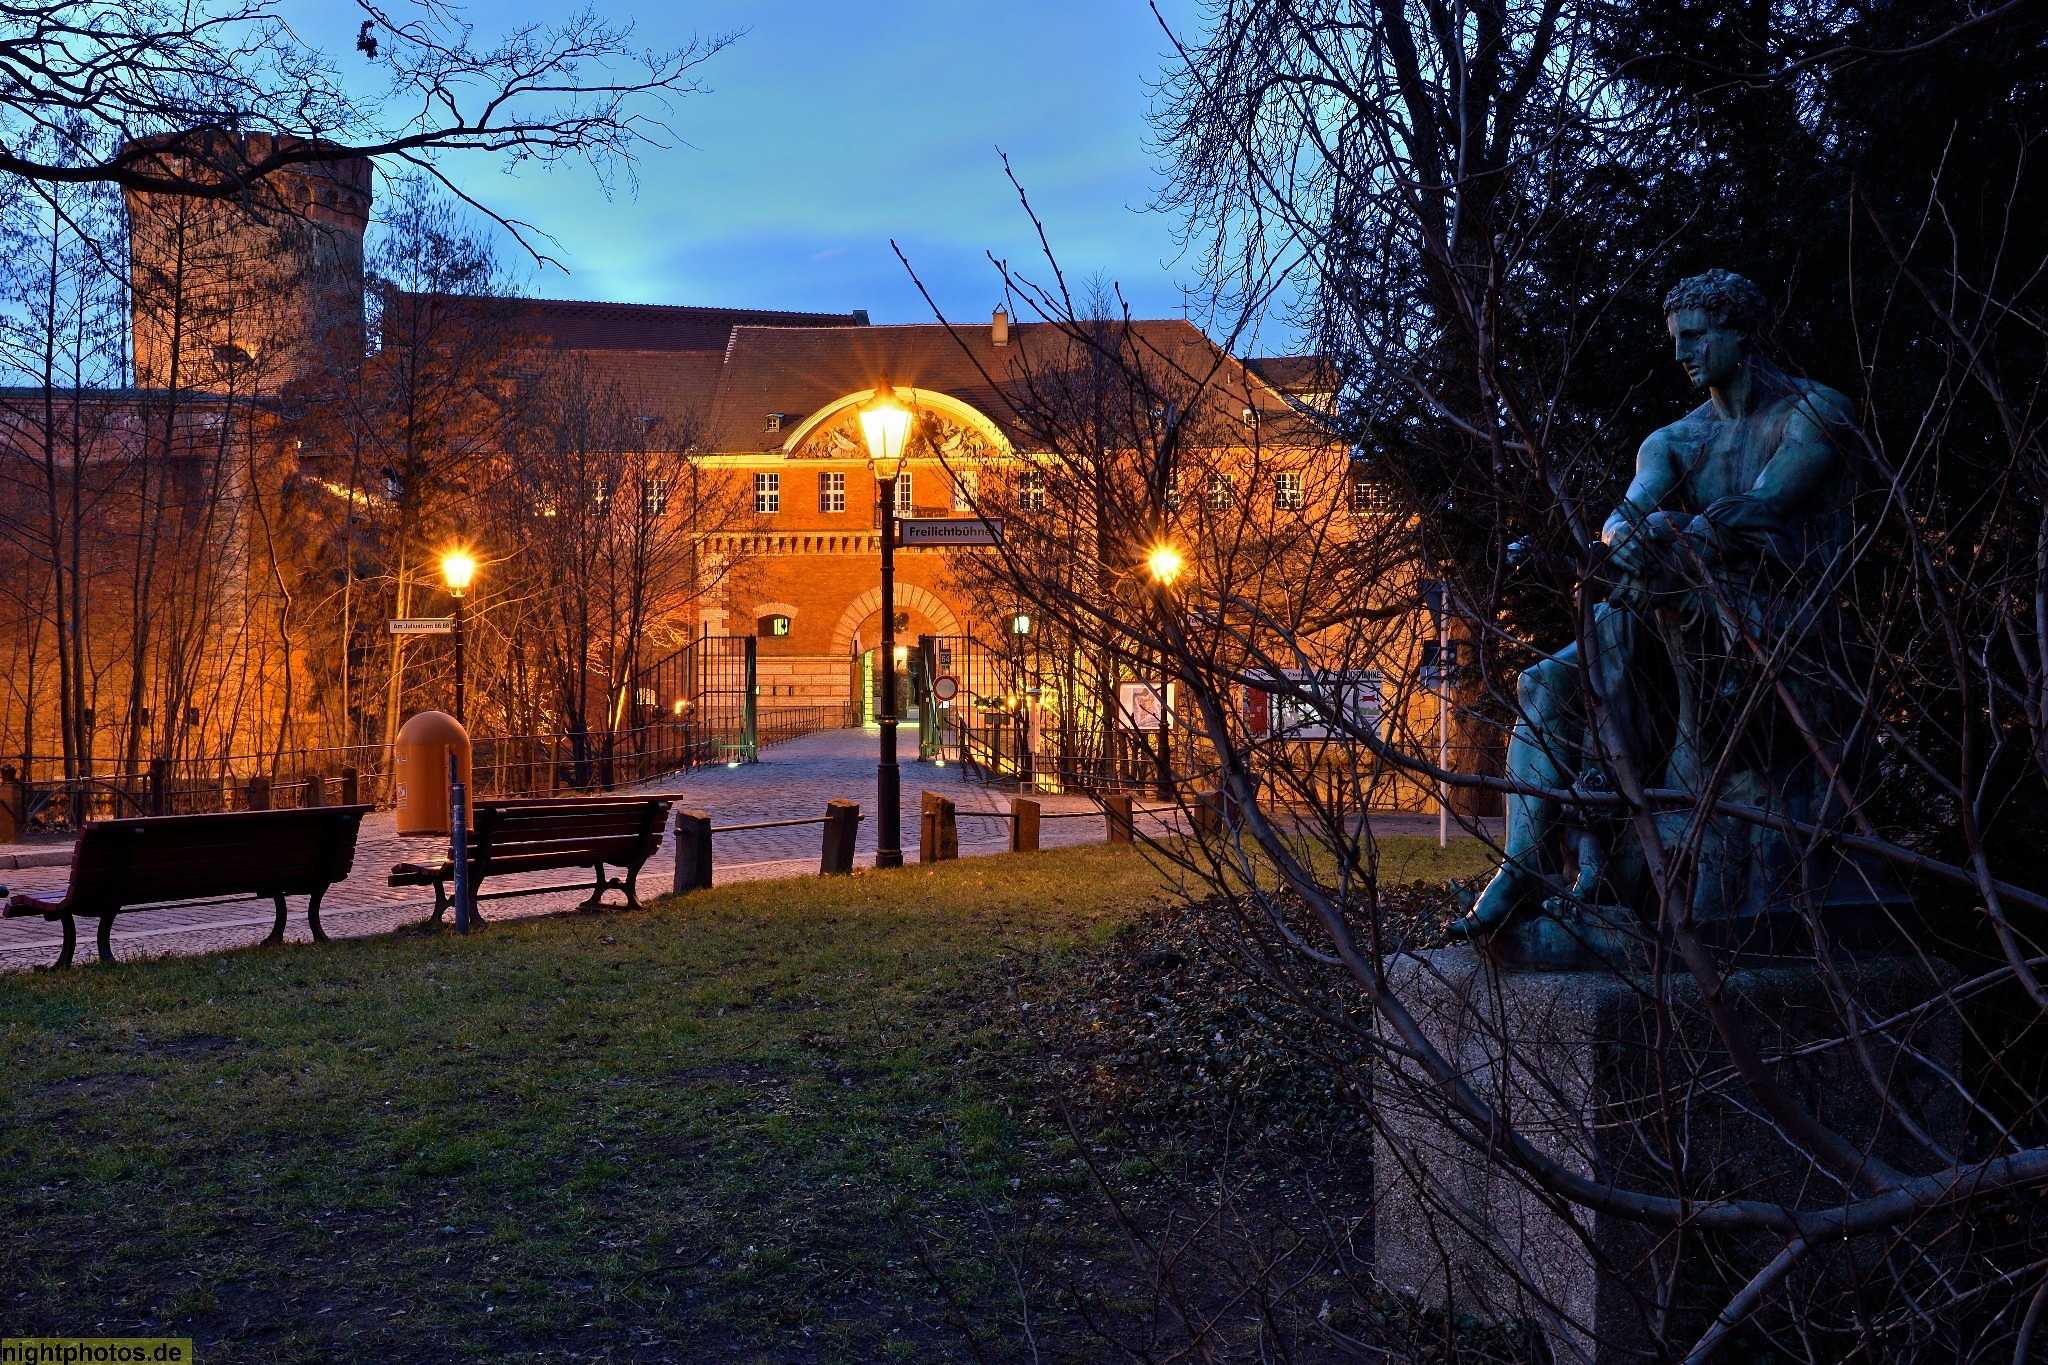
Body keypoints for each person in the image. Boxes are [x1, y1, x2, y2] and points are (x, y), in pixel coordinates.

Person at [1454, 269, 1859, 939]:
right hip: (1676, 603)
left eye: (1696, 336)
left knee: (1650, 621)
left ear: (1742, 333)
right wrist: (1615, 542)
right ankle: (1522, 866)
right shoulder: (1674, 441)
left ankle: (1645, 863)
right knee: (1545, 680)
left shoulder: (1815, 412)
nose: (1681, 354)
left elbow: (1765, 506)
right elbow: (1625, 516)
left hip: (1778, 618)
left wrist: (1671, 533)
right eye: (1675, 338)